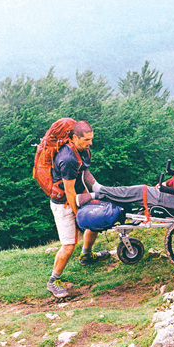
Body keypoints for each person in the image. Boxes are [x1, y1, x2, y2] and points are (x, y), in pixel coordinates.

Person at [83, 123, 174, 216]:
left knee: (140, 191)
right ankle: (98, 192)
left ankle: (99, 192)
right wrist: (170, 182)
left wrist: (168, 185)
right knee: (141, 191)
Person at [47, 120, 110, 298]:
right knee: (68, 246)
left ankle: (87, 255)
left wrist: (98, 187)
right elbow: (68, 191)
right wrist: (78, 215)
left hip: (79, 195)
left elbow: (85, 172)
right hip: (64, 203)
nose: (90, 143)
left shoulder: (82, 150)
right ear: (75, 138)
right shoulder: (67, 159)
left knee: (95, 220)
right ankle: (53, 280)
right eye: (87, 140)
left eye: (91, 139)